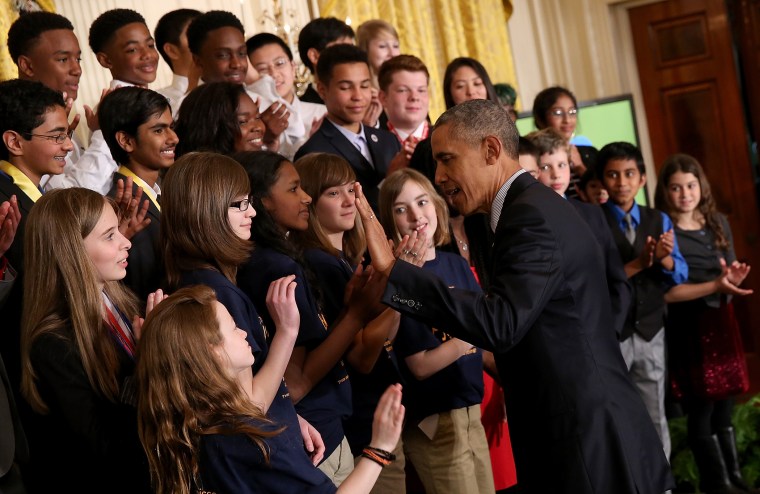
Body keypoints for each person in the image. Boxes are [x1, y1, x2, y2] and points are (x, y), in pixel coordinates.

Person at [354, 99, 674, 494]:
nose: (438, 176)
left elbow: (500, 322)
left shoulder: (530, 217)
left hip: (584, 434)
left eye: (447, 159)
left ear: (491, 149)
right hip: (570, 423)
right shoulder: (516, 211)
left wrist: (396, 274)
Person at [137, 284, 405, 494]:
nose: (244, 333)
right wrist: (379, 448)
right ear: (212, 353)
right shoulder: (251, 442)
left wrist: (166, 340)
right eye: (233, 328)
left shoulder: (194, 422)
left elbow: (252, 404)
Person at [234, 150, 387, 485]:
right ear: (264, 202)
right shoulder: (279, 267)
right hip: (317, 439)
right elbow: (298, 383)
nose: (306, 198)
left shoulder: (265, 259)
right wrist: (357, 314)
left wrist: (349, 310)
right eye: (293, 190)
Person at [19, 187, 159, 493]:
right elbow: (105, 449)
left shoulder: (121, 299)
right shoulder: (54, 344)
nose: (126, 242)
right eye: (110, 235)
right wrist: (152, 361)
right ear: (70, 251)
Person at [293, 152, 414, 493]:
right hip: (356, 416)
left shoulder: (341, 259)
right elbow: (363, 356)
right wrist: (401, 285)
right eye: (333, 193)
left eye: (351, 189)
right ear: (310, 201)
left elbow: (383, 332)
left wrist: (396, 291)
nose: (348, 201)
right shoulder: (321, 264)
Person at [378, 168, 494, 494]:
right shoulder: (400, 276)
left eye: (422, 202)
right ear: (389, 221)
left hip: (472, 409)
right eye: (401, 209)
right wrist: (471, 334)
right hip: (435, 420)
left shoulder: (455, 263)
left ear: (438, 205)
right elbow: (420, 365)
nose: (416, 216)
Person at [655, 154, 754, 494]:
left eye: (691, 185)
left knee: (726, 404)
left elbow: (728, 272)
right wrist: (716, 285)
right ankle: (717, 484)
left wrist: (734, 277)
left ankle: (734, 477)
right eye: (676, 187)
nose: (685, 193)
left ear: (702, 187)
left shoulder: (717, 222)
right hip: (690, 326)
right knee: (702, 408)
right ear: (665, 192)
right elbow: (667, 293)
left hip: (722, 320)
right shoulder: (664, 229)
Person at [597, 141, 688, 459]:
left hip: (650, 329)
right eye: (613, 174)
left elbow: (680, 273)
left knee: (655, 415)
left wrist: (663, 259)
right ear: (602, 180)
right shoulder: (593, 221)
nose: (621, 182)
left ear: (642, 179)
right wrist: (640, 262)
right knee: (614, 413)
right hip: (611, 334)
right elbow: (594, 282)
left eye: (629, 174)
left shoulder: (658, 219)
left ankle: (661, 484)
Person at [0, 79, 72, 393]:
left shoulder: (33, 194)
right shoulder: (7, 203)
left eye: (67, 134)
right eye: (57, 136)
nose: (68, 146)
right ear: (15, 142)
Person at [526, 127, 631, 335]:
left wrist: (613, 330)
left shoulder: (592, 214)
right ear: (533, 170)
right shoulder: (526, 219)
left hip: (603, 330)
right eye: (546, 167)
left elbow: (618, 279)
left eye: (562, 165)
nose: (556, 174)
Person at [7, 11, 118, 194]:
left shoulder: (66, 118)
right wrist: (103, 134)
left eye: (78, 59)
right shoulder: (15, 124)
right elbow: (71, 200)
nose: (77, 69)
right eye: (63, 59)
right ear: (27, 66)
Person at [294, 44, 402, 212]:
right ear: (322, 90)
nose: (358, 96)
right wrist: (388, 182)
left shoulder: (388, 140)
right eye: (345, 87)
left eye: (365, 86)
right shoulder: (313, 153)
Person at [99, 86, 177, 300]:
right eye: (159, 130)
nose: (174, 138)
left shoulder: (158, 194)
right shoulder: (123, 206)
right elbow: (141, 289)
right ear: (126, 141)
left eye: (171, 127)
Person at [185, 10, 289, 151]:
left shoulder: (256, 98)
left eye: (242, 53)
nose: (237, 64)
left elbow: (294, 136)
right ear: (198, 60)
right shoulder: (187, 110)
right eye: (223, 55)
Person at [246, 32, 327, 159]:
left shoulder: (321, 113)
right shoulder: (251, 124)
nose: (273, 74)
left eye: (279, 63)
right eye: (262, 69)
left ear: (293, 67)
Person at [174, 82, 265, 157]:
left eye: (258, 117)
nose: (258, 127)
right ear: (212, 129)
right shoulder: (206, 176)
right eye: (243, 121)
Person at [531, 86, 589, 198]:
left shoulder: (589, 153)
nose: (567, 120)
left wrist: (580, 167)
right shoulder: (531, 155)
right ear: (540, 118)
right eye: (557, 113)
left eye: (572, 112)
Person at [378, 55, 430, 166]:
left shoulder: (449, 139)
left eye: (421, 90)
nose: (414, 97)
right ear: (383, 98)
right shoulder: (371, 144)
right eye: (403, 90)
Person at [88, 9, 160, 89]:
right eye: (132, 50)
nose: (148, 54)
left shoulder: (149, 98)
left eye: (150, 45)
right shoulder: (123, 101)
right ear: (105, 60)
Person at [153, 9, 202, 117]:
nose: (206, 42)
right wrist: (192, 88)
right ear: (172, 50)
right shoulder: (159, 99)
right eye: (196, 36)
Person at [297, 17, 355, 105]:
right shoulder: (302, 110)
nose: (351, 56)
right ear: (314, 56)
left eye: (351, 49)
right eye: (342, 49)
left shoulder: (364, 99)